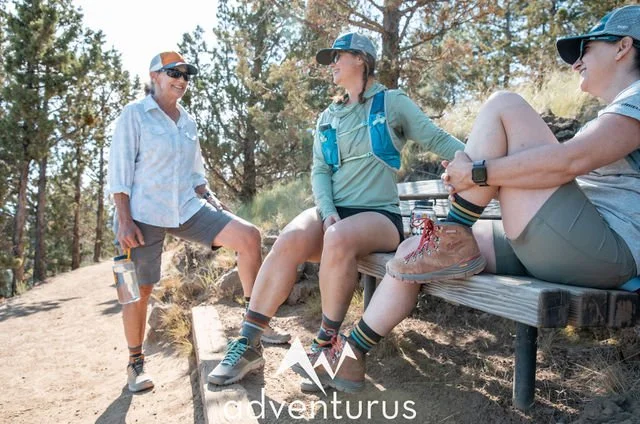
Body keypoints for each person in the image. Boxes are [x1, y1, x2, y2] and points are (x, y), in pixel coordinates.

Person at [302, 5, 640, 393]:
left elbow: (568, 162)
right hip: (576, 241)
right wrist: (474, 168)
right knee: (416, 248)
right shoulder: (614, 111)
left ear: (623, 47)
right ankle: (351, 353)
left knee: (504, 105)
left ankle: (453, 231)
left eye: (587, 48)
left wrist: (477, 172)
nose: (578, 60)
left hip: (607, 251)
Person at [208, 32, 468, 386]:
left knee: (339, 236)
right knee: (290, 238)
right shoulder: (329, 116)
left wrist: (481, 159)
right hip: (335, 214)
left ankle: (325, 346)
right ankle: (248, 342)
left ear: (360, 59)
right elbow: (320, 170)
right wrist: (327, 210)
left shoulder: (392, 103)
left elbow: (437, 138)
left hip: (380, 218)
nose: (331, 65)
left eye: (337, 56)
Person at [108, 51, 289, 393]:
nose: (181, 78)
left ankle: (254, 329)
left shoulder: (187, 121)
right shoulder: (135, 114)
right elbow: (119, 171)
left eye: (187, 74)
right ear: (154, 76)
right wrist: (123, 218)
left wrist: (210, 197)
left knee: (249, 236)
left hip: (188, 207)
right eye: (173, 72)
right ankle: (135, 363)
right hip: (143, 213)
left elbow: (195, 172)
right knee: (137, 289)